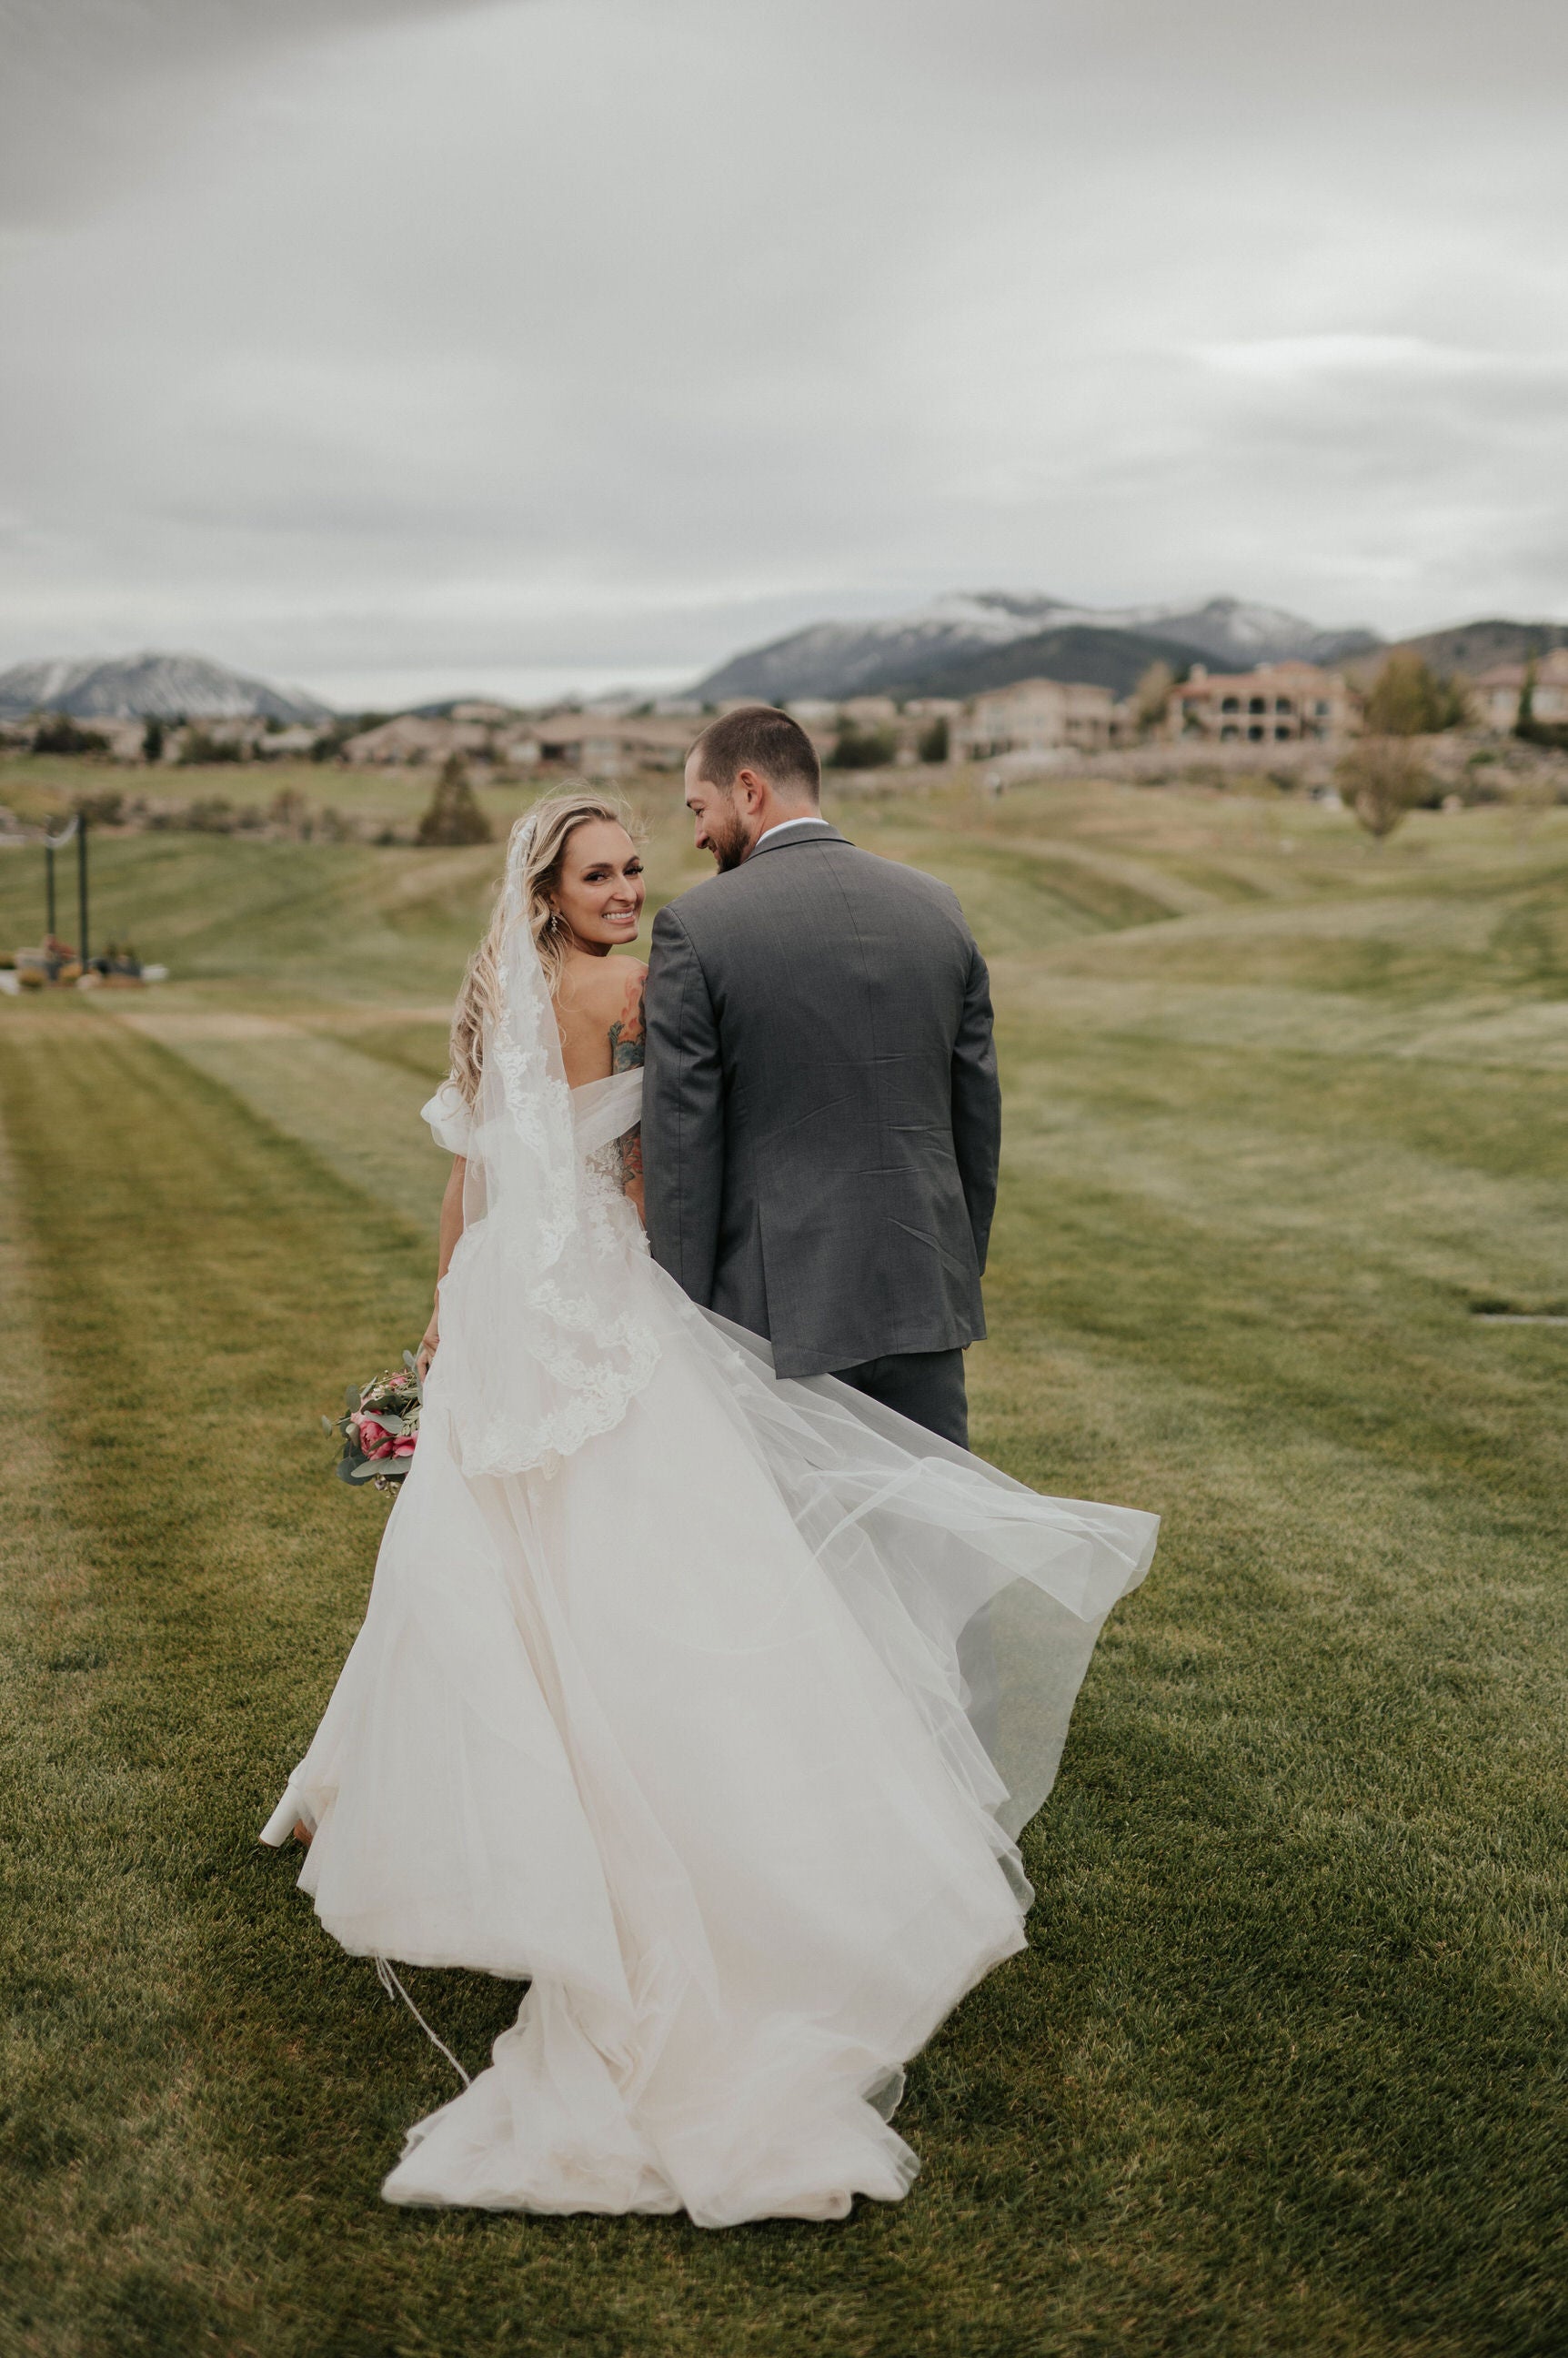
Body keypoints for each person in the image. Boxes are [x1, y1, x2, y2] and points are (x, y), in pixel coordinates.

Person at [261, 787, 1157, 2227]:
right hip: (599, 1298)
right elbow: (656, 1157)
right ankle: (685, 1844)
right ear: (549, 891)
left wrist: (446, 1305)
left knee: (489, 1567)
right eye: (601, 873)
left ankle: (427, 1802)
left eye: (632, 867)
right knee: (647, 1568)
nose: (628, 889)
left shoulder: (496, 985)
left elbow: (473, 1172)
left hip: (504, 1305)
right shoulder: (633, 990)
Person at [644, 706, 996, 1449]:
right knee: (931, 1545)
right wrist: (951, 1267)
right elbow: (975, 1123)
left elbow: (683, 1155)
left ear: (748, 789)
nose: (697, 834)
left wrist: (685, 1327)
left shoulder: (696, 929)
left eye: (698, 809)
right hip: (923, 1289)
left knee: (803, 1554)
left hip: (773, 1316)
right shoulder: (937, 906)